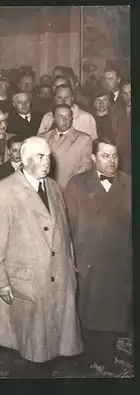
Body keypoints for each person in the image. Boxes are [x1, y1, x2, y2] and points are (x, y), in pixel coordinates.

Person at [0, 136, 82, 377]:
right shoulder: (4, 191)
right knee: (28, 343)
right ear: (25, 160)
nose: (46, 161)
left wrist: (71, 266)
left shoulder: (54, 188)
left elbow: (64, 232)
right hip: (25, 279)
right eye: (40, 156)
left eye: (48, 156)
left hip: (57, 275)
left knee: (53, 339)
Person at [64, 137, 131, 374]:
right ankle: (83, 353)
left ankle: (107, 355)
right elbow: (67, 227)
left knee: (113, 310)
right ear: (93, 158)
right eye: (105, 155)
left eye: (114, 155)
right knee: (86, 310)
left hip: (117, 262)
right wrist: (70, 260)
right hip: (87, 260)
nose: (111, 161)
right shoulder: (77, 184)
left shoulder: (129, 184)